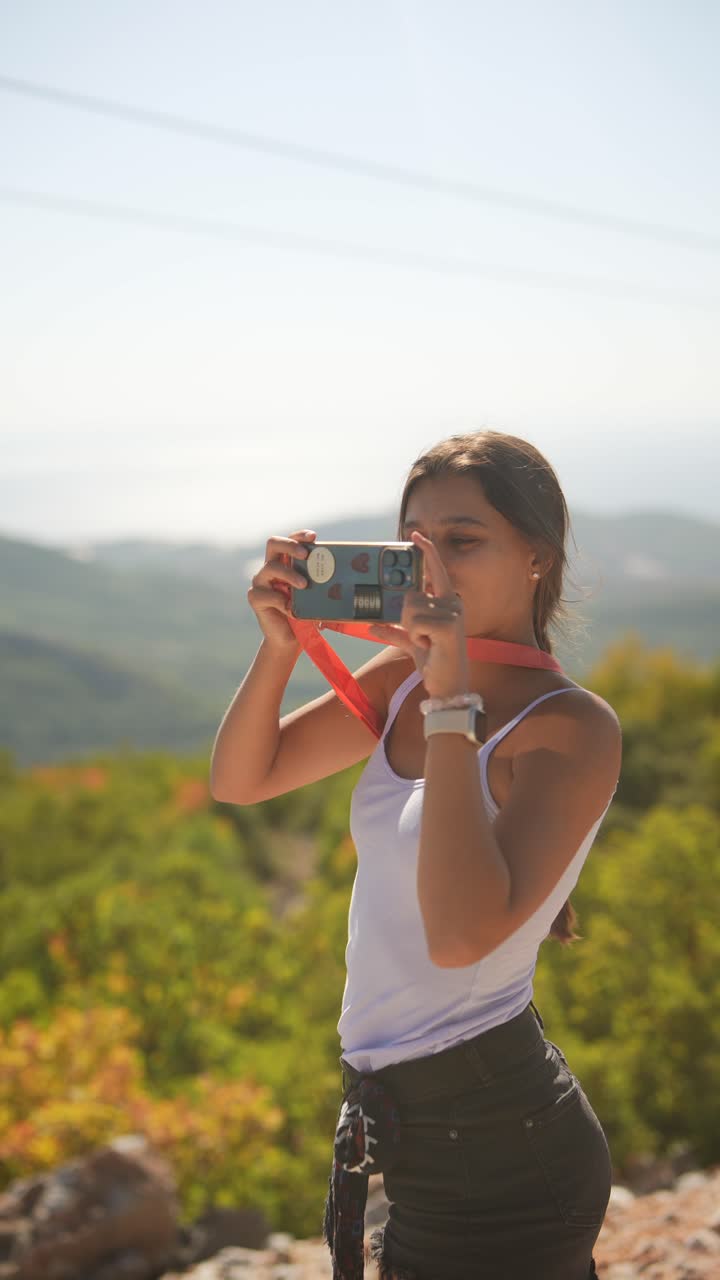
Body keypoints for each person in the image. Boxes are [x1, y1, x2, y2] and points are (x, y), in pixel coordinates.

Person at [210, 429, 622, 1280]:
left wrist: (449, 703)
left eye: (462, 543)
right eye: (416, 546)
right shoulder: (403, 681)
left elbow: (460, 939)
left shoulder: (569, 726)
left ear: (537, 557)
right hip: (426, 1134)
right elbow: (243, 779)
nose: (433, 568)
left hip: (504, 1150)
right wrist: (279, 648)